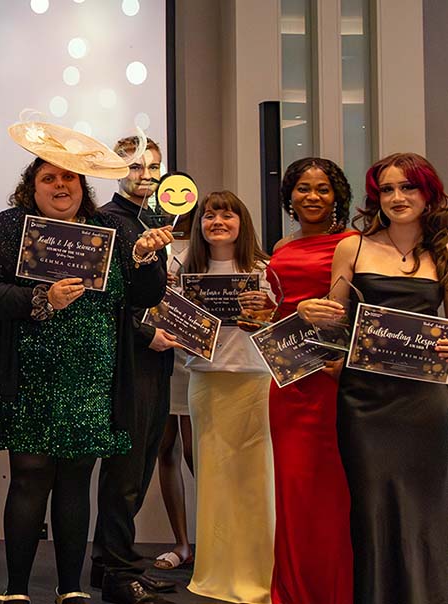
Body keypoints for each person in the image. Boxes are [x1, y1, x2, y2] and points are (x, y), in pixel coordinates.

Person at [0, 125, 172, 604]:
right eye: (50, 179)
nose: (61, 187)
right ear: (31, 187)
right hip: (30, 371)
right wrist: (43, 299)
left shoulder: (115, 230)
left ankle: (71, 589)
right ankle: (16, 590)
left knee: (77, 478)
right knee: (31, 475)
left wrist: (143, 258)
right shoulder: (12, 226)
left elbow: (146, 297)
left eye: (71, 180)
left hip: (93, 373)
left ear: (84, 187)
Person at [298, 152, 448, 604]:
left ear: (428, 193)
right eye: (387, 189)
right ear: (375, 196)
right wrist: (309, 310)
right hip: (365, 403)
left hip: (426, 401)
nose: (398, 197)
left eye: (408, 187)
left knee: (429, 512)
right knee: (372, 511)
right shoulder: (353, 247)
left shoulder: (445, 248)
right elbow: (333, 324)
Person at [172, 191, 275, 603]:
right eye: (209, 215)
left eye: (227, 214)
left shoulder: (264, 269)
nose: (217, 221)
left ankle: (260, 572)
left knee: (256, 483)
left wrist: (266, 311)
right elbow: (174, 328)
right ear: (199, 225)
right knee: (213, 482)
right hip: (207, 383)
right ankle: (214, 570)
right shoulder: (183, 268)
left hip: (254, 383)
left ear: (242, 222)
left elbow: (280, 328)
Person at [90, 136, 179, 603]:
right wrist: (148, 335)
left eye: (154, 167)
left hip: (158, 359)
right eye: (136, 166)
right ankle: (118, 572)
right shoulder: (107, 220)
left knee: (143, 461)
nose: (146, 174)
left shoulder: (159, 221)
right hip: (128, 360)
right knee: (125, 470)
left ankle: (111, 563)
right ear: (116, 171)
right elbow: (105, 301)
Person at [266, 157, 355, 604]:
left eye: (323, 188)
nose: (313, 197)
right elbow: (276, 312)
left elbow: (354, 313)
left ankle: (331, 590)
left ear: (337, 194)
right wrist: (253, 316)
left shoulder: (353, 244)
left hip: (331, 379)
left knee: (330, 491)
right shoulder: (281, 246)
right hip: (285, 381)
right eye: (303, 188)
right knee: (293, 489)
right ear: (289, 196)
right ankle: (293, 589)